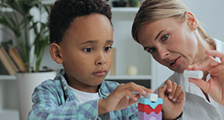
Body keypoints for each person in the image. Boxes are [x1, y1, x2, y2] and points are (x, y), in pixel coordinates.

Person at [28, 0, 185, 119]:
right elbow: (39, 116)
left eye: (107, 48)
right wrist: (101, 106)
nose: (102, 59)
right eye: (88, 49)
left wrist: (169, 115)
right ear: (57, 53)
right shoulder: (49, 91)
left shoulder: (120, 94)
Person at [131, 0, 224, 119]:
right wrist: (172, 118)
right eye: (152, 50)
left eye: (165, 37)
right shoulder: (160, 100)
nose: (161, 54)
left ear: (191, 21)